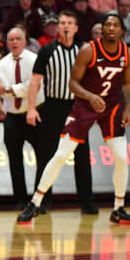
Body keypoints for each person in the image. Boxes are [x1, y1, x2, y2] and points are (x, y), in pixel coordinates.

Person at [18, 13, 130, 225]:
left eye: (115, 25)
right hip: (83, 105)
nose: (110, 28)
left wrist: (127, 109)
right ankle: (35, 203)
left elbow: (127, 84)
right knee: (61, 154)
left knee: (121, 157)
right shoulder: (88, 50)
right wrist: (90, 96)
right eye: (106, 24)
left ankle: (118, 208)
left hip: (111, 107)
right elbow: (73, 84)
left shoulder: (127, 54)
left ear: (121, 31)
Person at [27, 11, 96, 214]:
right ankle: (41, 201)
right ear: (58, 27)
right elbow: (35, 81)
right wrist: (31, 108)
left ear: (76, 28)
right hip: (53, 106)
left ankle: (86, 202)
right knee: (47, 154)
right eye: (62, 22)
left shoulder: (84, 51)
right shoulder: (47, 50)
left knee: (82, 156)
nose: (65, 26)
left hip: (78, 107)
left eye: (69, 23)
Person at [0, 27, 43, 207]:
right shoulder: (2, 63)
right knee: (14, 160)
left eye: (18, 39)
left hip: (33, 113)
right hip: (12, 117)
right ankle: (20, 199)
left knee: (42, 157)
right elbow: (2, 91)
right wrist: (17, 90)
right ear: (7, 43)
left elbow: (35, 87)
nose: (14, 42)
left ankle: (41, 199)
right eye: (11, 39)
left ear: (24, 42)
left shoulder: (34, 60)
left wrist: (11, 90)